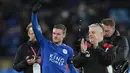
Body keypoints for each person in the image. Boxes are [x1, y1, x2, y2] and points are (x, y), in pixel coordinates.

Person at [31, 0, 77, 73]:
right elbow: (36, 29)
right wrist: (34, 13)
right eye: (54, 33)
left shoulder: (69, 50)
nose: (55, 36)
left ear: (64, 35)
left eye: (58, 34)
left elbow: (71, 68)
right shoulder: (45, 44)